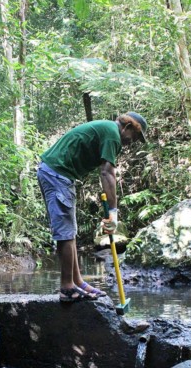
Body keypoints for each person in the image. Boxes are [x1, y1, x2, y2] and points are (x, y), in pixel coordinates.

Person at [37, 112, 148, 303]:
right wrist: (112, 213)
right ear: (127, 127)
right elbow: (107, 173)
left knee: (70, 231)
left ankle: (78, 282)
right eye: (135, 137)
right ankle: (67, 288)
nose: (133, 143)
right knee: (65, 232)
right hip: (57, 174)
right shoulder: (113, 134)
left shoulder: (109, 131)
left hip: (60, 174)